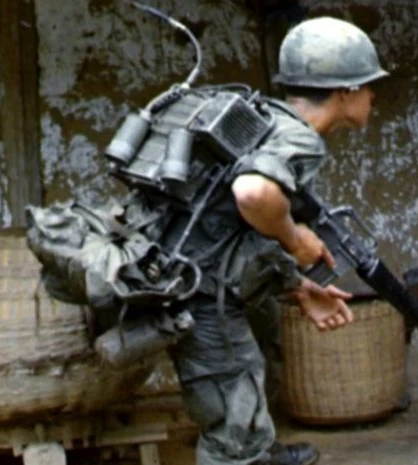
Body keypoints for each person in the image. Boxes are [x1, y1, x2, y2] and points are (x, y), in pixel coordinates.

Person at [155, 17, 390, 465]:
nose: (373, 96)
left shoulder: (262, 118)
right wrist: (296, 238)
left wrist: (299, 283)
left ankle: (260, 452)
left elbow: (232, 223)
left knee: (245, 405)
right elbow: (253, 194)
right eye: (367, 85)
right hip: (203, 297)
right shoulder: (298, 139)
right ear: (343, 92)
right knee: (232, 432)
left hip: (192, 279)